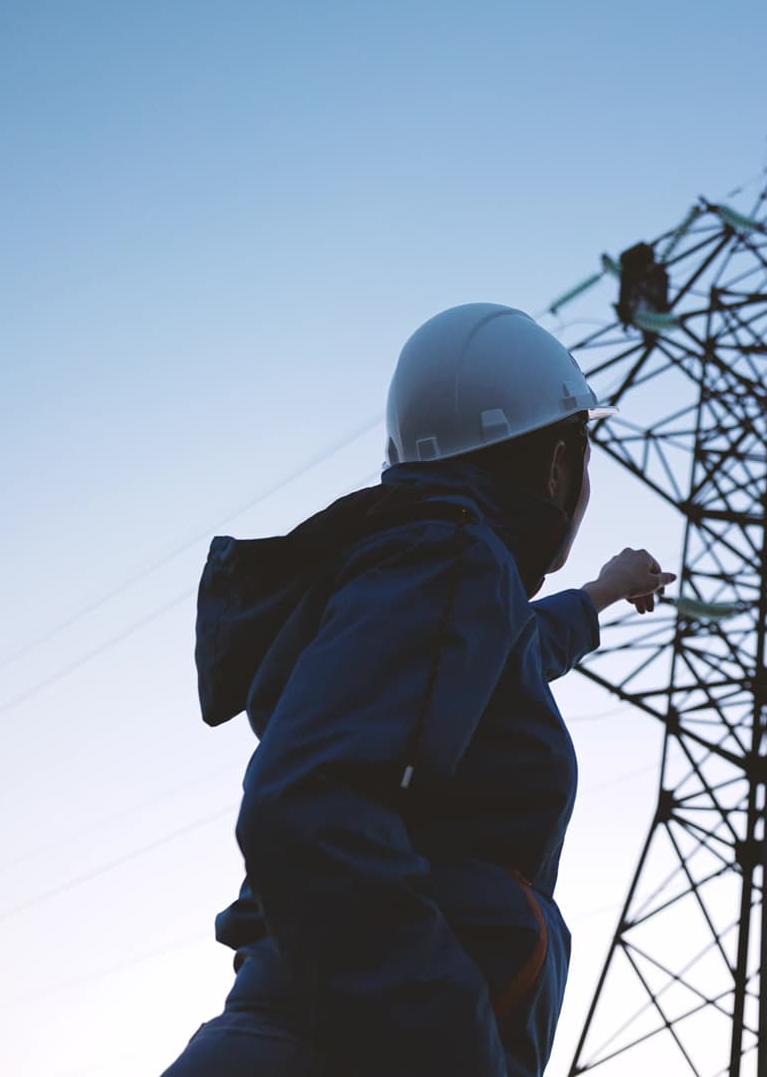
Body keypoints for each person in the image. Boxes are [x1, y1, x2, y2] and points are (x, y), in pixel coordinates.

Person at [165, 303, 676, 1076]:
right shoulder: (451, 557)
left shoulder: (427, 567)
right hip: (339, 1051)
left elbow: (509, 652)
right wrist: (452, 1047)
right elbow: (304, 806)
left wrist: (601, 593)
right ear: (556, 466)